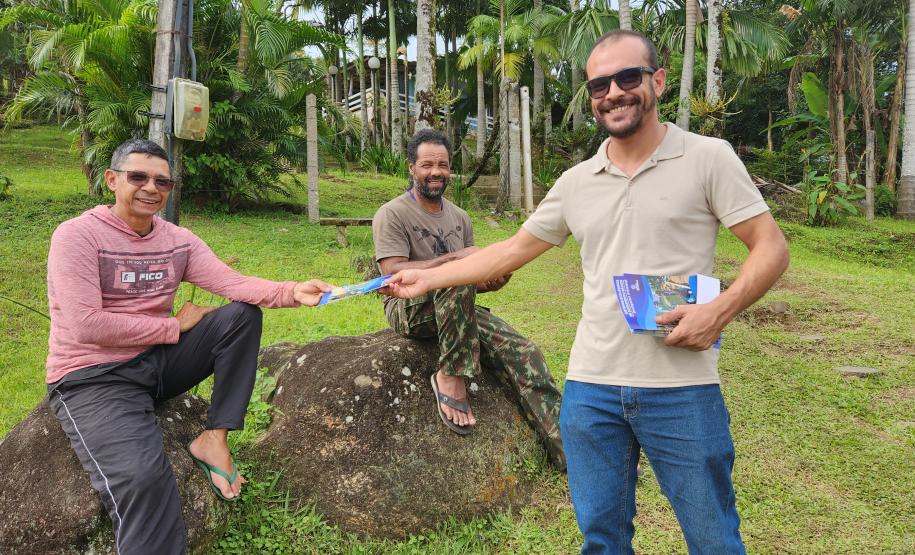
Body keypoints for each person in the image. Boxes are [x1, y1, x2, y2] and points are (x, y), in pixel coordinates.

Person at [384, 31, 789, 554]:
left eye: (628, 78)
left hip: (682, 389)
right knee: (601, 539)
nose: (614, 93)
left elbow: (771, 248)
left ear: (658, 81)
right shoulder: (577, 180)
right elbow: (511, 251)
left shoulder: (708, 157)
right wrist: (427, 277)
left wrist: (720, 309)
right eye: (600, 84)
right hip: (590, 388)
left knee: (713, 539)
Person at [45, 139, 333, 554]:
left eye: (162, 181)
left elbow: (233, 284)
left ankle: (215, 438)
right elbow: (84, 324)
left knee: (241, 316)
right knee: (143, 479)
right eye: (138, 176)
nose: (150, 188)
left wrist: (293, 290)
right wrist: (170, 327)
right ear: (111, 180)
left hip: (157, 363)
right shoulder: (77, 236)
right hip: (94, 376)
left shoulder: (176, 240)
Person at [372, 128, 565, 470]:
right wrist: (458, 262)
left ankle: (569, 451)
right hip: (409, 308)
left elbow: (471, 281)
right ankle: (450, 373)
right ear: (411, 168)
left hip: (458, 306)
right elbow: (392, 274)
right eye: (427, 164)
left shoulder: (459, 216)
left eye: (443, 165)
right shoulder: (392, 213)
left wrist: (491, 280)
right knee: (458, 274)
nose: (436, 172)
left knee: (526, 353)